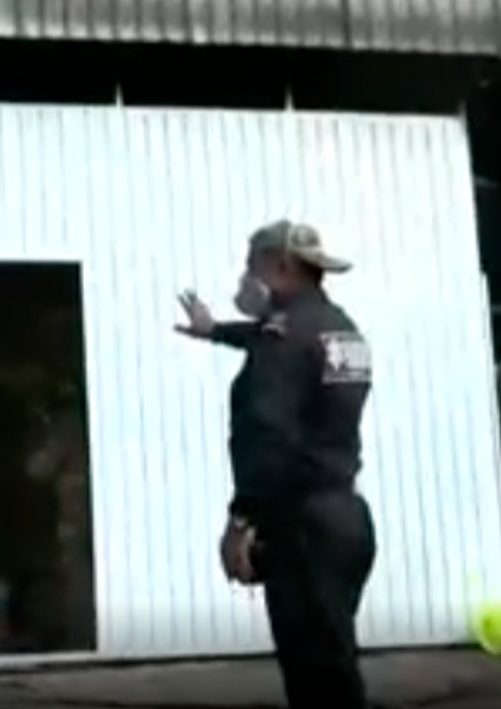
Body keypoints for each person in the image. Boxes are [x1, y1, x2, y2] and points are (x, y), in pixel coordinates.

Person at [175, 220, 376, 709]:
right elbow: (272, 340)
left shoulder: (282, 341)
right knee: (334, 662)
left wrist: (242, 519)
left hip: (299, 527)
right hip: (345, 521)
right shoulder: (339, 327)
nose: (245, 277)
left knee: (316, 682)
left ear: (281, 266)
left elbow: (265, 436)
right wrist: (214, 331)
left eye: (251, 265)